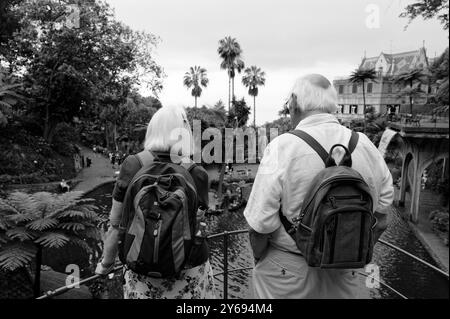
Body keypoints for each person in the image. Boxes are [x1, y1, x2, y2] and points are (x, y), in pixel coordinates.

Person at [244, 74, 394, 299]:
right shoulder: (366, 145)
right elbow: (381, 219)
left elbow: (259, 227)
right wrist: (350, 251)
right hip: (348, 275)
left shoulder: (282, 146)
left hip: (287, 275)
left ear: (294, 102)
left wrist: (261, 260)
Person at [95, 105, 215, 299]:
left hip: (141, 272)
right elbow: (197, 224)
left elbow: (115, 224)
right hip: (188, 270)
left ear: (152, 130)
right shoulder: (196, 172)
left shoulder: (133, 164)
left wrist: (106, 264)